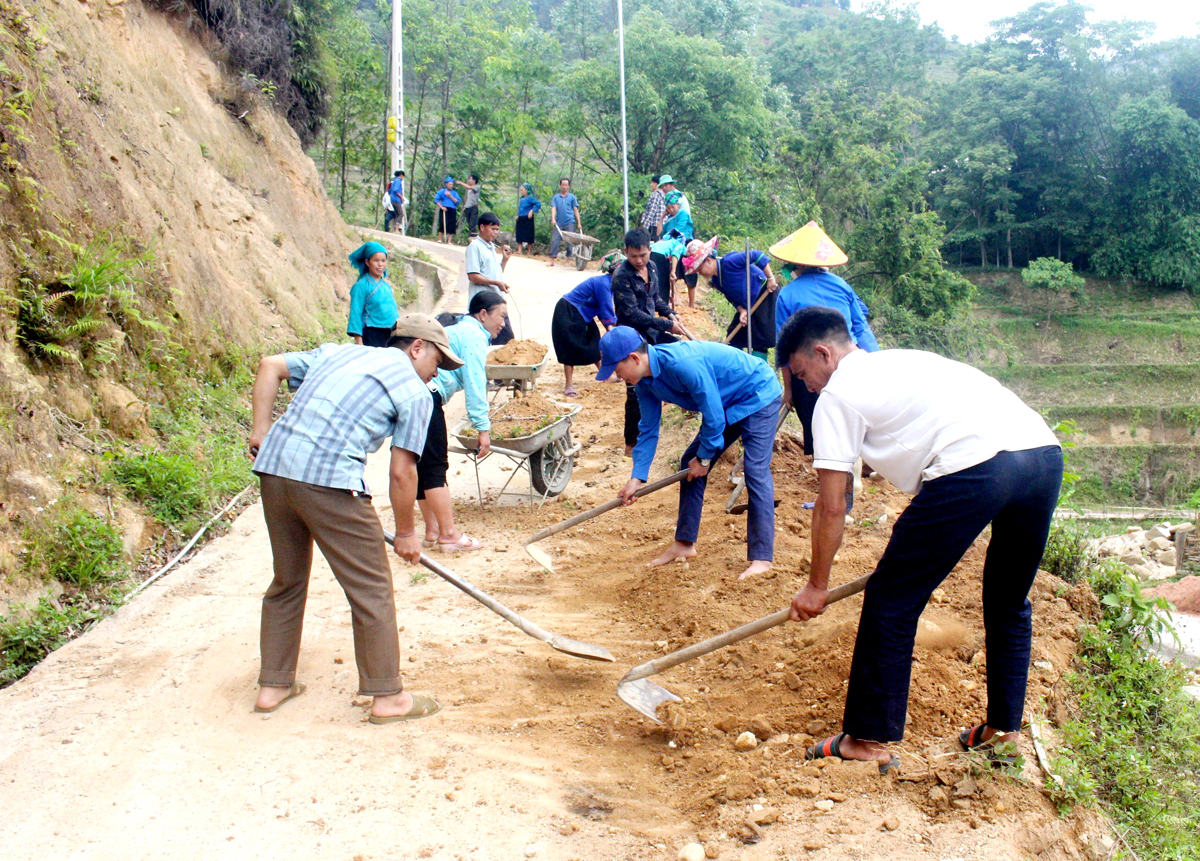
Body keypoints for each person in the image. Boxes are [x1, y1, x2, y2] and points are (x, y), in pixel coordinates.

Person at [777, 306, 1063, 773]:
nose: (806, 385)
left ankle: (867, 739)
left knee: (892, 596)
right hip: (1042, 456)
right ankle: (1003, 731)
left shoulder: (836, 396)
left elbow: (832, 505)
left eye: (804, 373)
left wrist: (816, 586)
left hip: (976, 467)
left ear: (823, 353)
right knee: (1009, 599)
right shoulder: (900, 362)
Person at [247, 314, 464, 723]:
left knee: (287, 580)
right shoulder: (416, 395)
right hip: (330, 481)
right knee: (372, 589)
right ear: (416, 347)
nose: (435, 375)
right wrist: (406, 533)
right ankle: (389, 698)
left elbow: (270, 365)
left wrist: (260, 431)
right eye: (437, 363)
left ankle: (273, 685)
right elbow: (403, 471)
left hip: (275, 471)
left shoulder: (339, 353)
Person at [599, 327, 783, 580]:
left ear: (634, 358)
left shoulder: (682, 364)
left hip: (757, 393)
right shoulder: (644, 384)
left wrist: (705, 458)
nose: (617, 377)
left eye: (617, 370)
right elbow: (648, 430)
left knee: (755, 469)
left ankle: (762, 558)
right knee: (690, 464)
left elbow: (714, 416)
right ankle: (685, 544)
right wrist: (637, 477)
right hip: (725, 404)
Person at [771, 221, 880, 456]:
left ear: (795, 263)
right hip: (849, 362)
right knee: (855, 426)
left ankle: (831, 474)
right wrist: (874, 363)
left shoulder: (787, 294)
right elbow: (861, 329)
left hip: (810, 371)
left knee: (821, 430)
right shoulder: (842, 285)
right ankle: (852, 472)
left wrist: (788, 390)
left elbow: (785, 347)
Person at [419, 293, 509, 552]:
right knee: (435, 466)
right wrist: (482, 427)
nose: (503, 323)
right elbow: (475, 381)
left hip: (415, 394)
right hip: (428, 396)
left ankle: (432, 531)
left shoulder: (458, 330)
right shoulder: (473, 336)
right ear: (483, 314)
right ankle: (448, 535)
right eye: (500, 316)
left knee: (420, 463)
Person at [611, 228, 686, 457]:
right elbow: (633, 314)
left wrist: (670, 313)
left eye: (643, 255)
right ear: (626, 253)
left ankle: (686, 402)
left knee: (680, 353)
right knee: (635, 390)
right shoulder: (621, 277)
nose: (639, 260)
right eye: (634, 256)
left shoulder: (652, 266)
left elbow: (656, 299)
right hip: (632, 338)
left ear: (649, 250)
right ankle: (630, 444)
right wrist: (664, 324)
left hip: (652, 332)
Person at [685, 238, 779, 362]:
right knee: (734, 336)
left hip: (765, 295)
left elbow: (757, 255)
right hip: (749, 304)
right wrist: (742, 310)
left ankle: (759, 370)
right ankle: (738, 366)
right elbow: (731, 297)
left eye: (700, 269)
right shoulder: (716, 281)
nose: (700, 274)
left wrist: (771, 278)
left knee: (760, 339)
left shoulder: (730, 262)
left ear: (707, 260)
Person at [552, 255, 620, 397]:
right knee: (569, 347)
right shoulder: (604, 284)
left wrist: (610, 328)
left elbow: (603, 311)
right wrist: (618, 326)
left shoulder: (611, 285)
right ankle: (569, 385)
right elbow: (607, 311)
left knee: (594, 340)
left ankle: (605, 376)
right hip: (568, 311)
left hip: (582, 314)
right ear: (616, 270)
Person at [465, 212, 515, 345]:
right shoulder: (474, 247)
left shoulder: (491, 247)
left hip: (497, 302)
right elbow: (472, 276)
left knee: (506, 341)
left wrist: (504, 260)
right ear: (482, 227)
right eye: (493, 229)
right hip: (485, 305)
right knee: (493, 341)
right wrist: (496, 283)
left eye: (497, 230)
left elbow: (496, 272)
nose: (495, 233)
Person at [346, 242, 399, 348]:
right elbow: (355, 314)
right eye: (376, 260)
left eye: (383, 261)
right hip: (372, 333)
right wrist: (359, 342)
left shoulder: (386, 286)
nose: (380, 264)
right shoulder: (361, 286)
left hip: (390, 334)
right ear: (367, 262)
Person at [547, 178, 581, 267]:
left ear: (568, 186)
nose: (564, 186)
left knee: (570, 242)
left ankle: (567, 260)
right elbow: (553, 208)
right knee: (555, 240)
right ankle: (552, 260)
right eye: (563, 185)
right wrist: (553, 219)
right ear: (560, 185)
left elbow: (575, 209)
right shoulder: (556, 197)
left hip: (569, 221)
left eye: (566, 185)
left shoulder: (572, 197)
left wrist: (579, 223)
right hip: (558, 222)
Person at [650, 232, 687, 308]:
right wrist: (673, 271)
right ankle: (662, 306)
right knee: (663, 282)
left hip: (649, 253)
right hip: (659, 255)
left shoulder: (665, 242)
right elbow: (675, 254)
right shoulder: (680, 245)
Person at [515, 182, 541, 254]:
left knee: (529, 234)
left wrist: (532, 211)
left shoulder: (530, 198)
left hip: (528, 218)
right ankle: (519, 250)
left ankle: (529, 251)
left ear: (526, 190)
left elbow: (538, 204)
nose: (521, 191)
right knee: (519, 233)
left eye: (522, 190)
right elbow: (521, 208)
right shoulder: (521, 199)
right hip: (521, 218)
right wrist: (518, 215)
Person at [434, 176, 461, 243]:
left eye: (452, 184)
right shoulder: (442, 191)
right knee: (442, 223)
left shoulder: (454, 193)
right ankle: (440, 238)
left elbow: (457, 201)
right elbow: (436, 200)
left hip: (452, 209)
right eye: (450, 184)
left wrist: (450, 196)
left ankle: (449, 241)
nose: (451, 186)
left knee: (451, 224)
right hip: (444, 208)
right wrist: (441, 207)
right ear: (446, 184)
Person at [640, 175, 665, 241]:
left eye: (652, 183)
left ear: (656, 184)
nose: (651, 185)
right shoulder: (663, 194)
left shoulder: (656, 194)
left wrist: (645, 227)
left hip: (655, 225)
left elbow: (652, 211)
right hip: (662, 225)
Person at [385, 170, 407, 234]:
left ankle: (395, 229)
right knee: (400, 214)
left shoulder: (394, 181)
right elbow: (396, 190)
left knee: (396, 214)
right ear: (401, 175)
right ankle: (396, 229)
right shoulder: (398, 181)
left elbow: (390, 191)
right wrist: (401, 197)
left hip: (392, 199)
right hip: (397, 200)